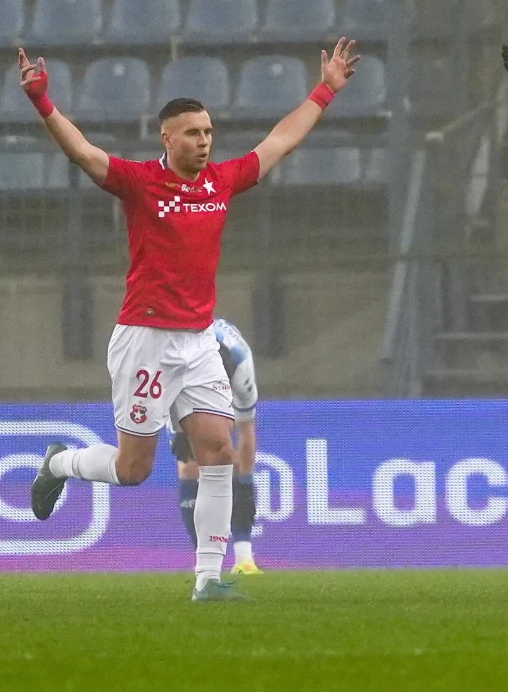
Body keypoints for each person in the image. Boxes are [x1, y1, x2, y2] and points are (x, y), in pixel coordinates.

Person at [24, 39, 360, 601]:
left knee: (218, 450)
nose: (204, 142)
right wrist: (42, 101)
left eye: (208, 133)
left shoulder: (221, 182)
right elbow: (84, 154)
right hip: (146, 342)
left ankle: (208, 580)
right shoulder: (139, 182)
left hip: (200, 341)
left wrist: (325, 89)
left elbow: (281, 140)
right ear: (167, 137)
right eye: (192, 134)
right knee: (134, 471)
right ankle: (62, 463)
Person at [172, 318, 262, 575]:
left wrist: (244, 480)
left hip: (221, 376)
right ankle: (206, 562)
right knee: (189, 467)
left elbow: (246, 430)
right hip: (185, 386)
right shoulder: (177, 363)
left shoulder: (241, 367)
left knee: (233, 462)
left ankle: (244, 556)